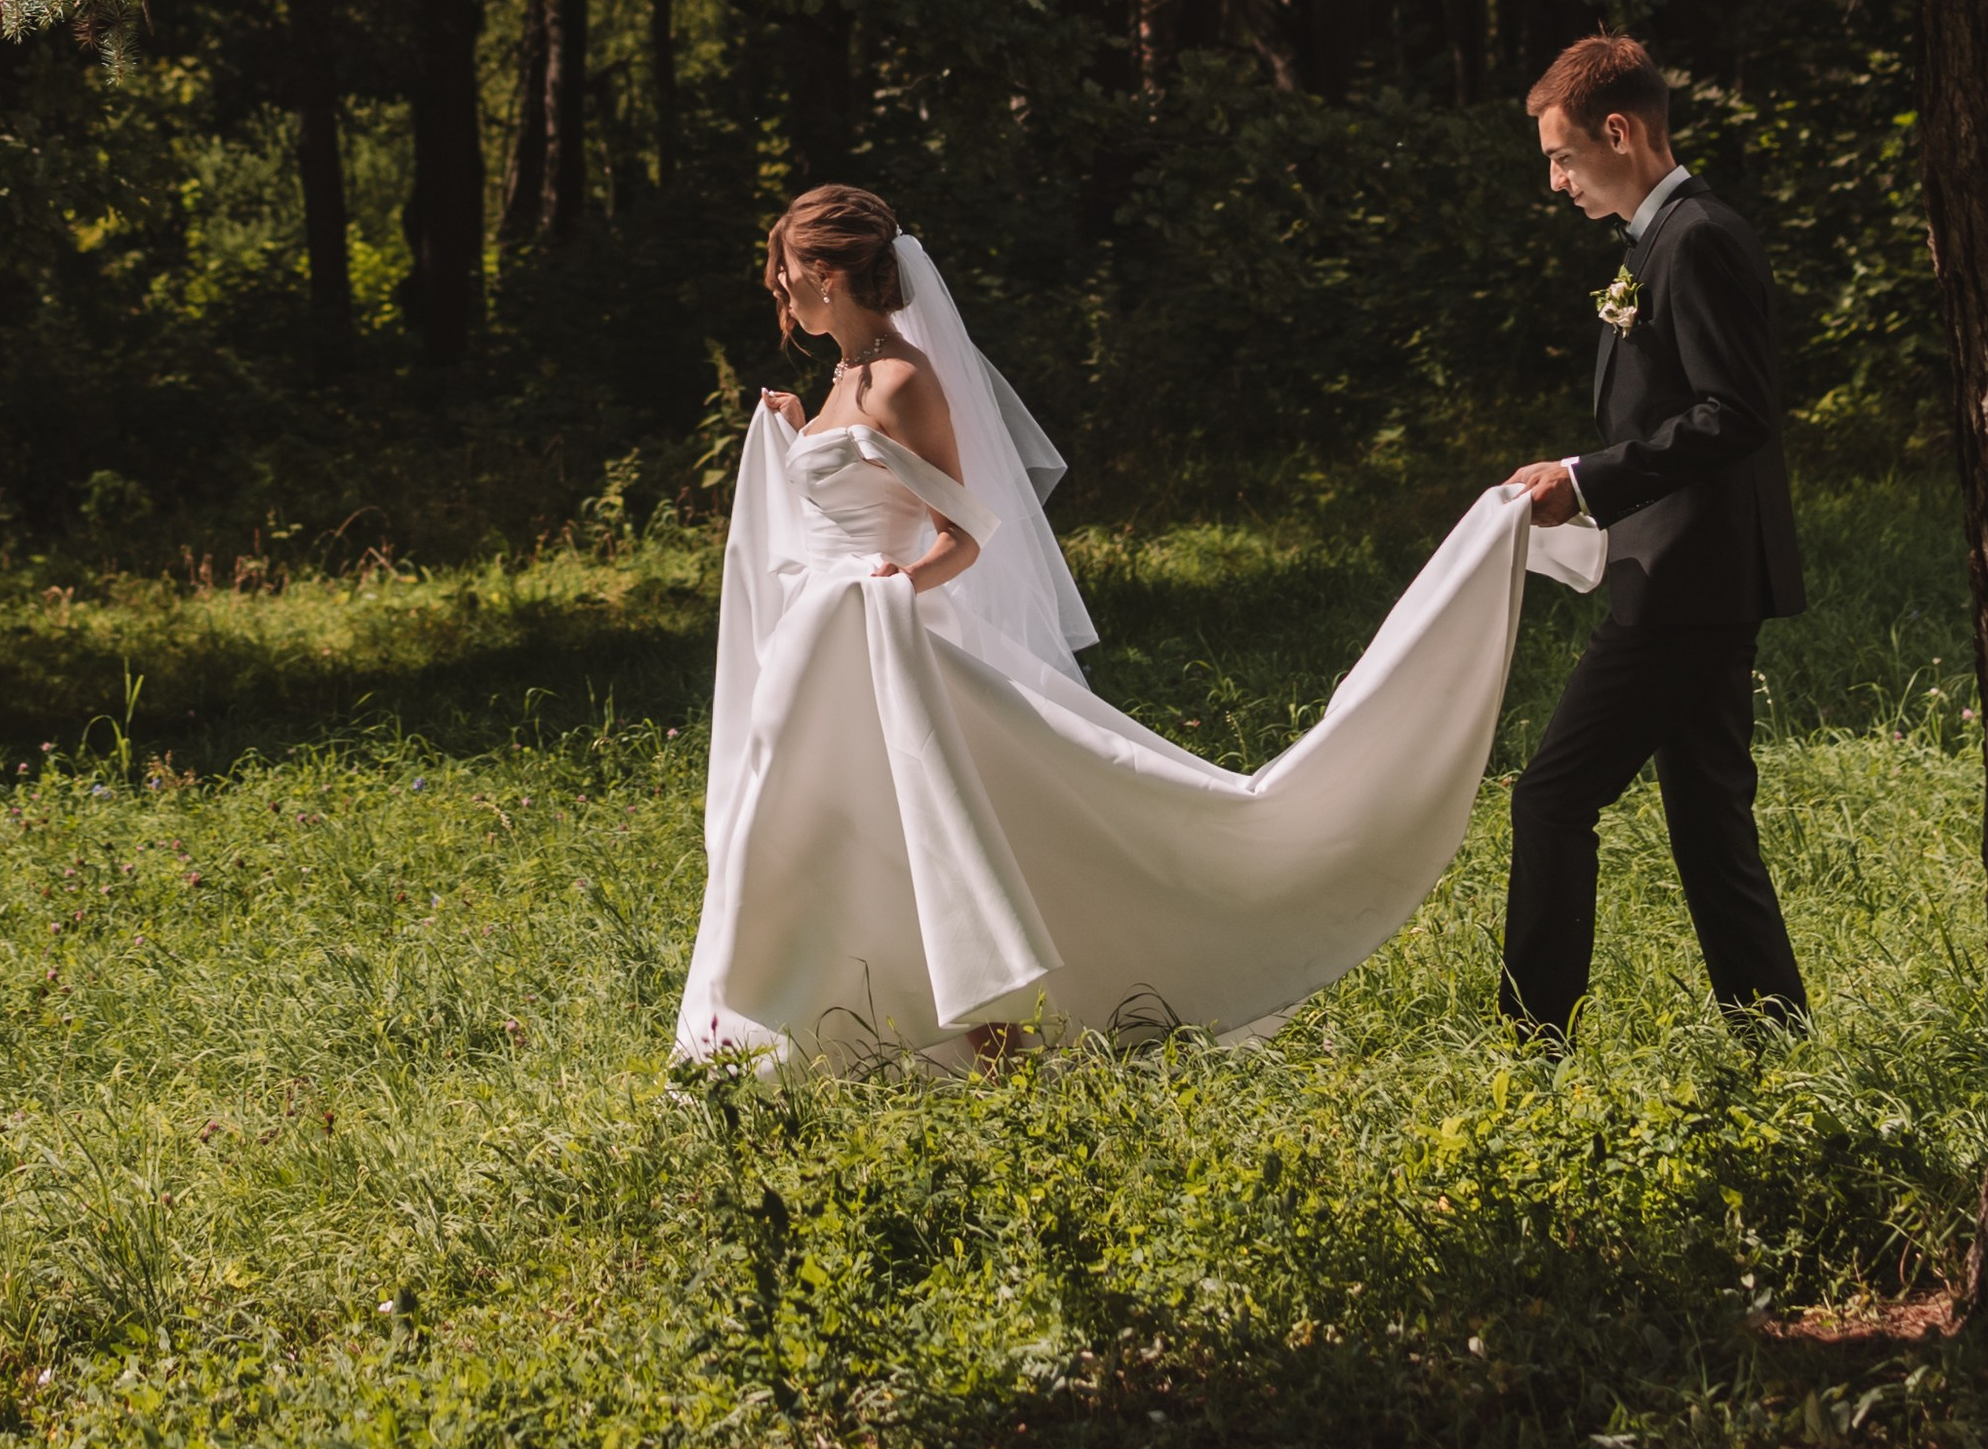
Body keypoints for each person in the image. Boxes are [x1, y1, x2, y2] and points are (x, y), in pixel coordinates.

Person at [675, 182, 1603, 1070]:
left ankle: (995, 1035)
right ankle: (790, 1031)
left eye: (783, 266)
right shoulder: (838, 382)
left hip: (875, 639)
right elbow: (844, 494)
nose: (775, 285)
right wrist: (796, 433)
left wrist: (894, 585)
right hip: (819, 647)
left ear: (827, 273)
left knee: (933, 831)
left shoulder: (901, 381)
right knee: (812, 831)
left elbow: (964, 537)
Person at [1502, 33, 1810, 1042]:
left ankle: (1526, 1044)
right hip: (1690, 576)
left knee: (1550, 798)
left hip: (1689, 581)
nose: (1554, 181)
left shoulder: (1698, 237)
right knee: (1710, 822)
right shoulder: (1656, 238)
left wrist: (1588, 478)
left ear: (1619, 132)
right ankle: (1774, 1040)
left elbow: (1735, 412)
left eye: (1561, 156)